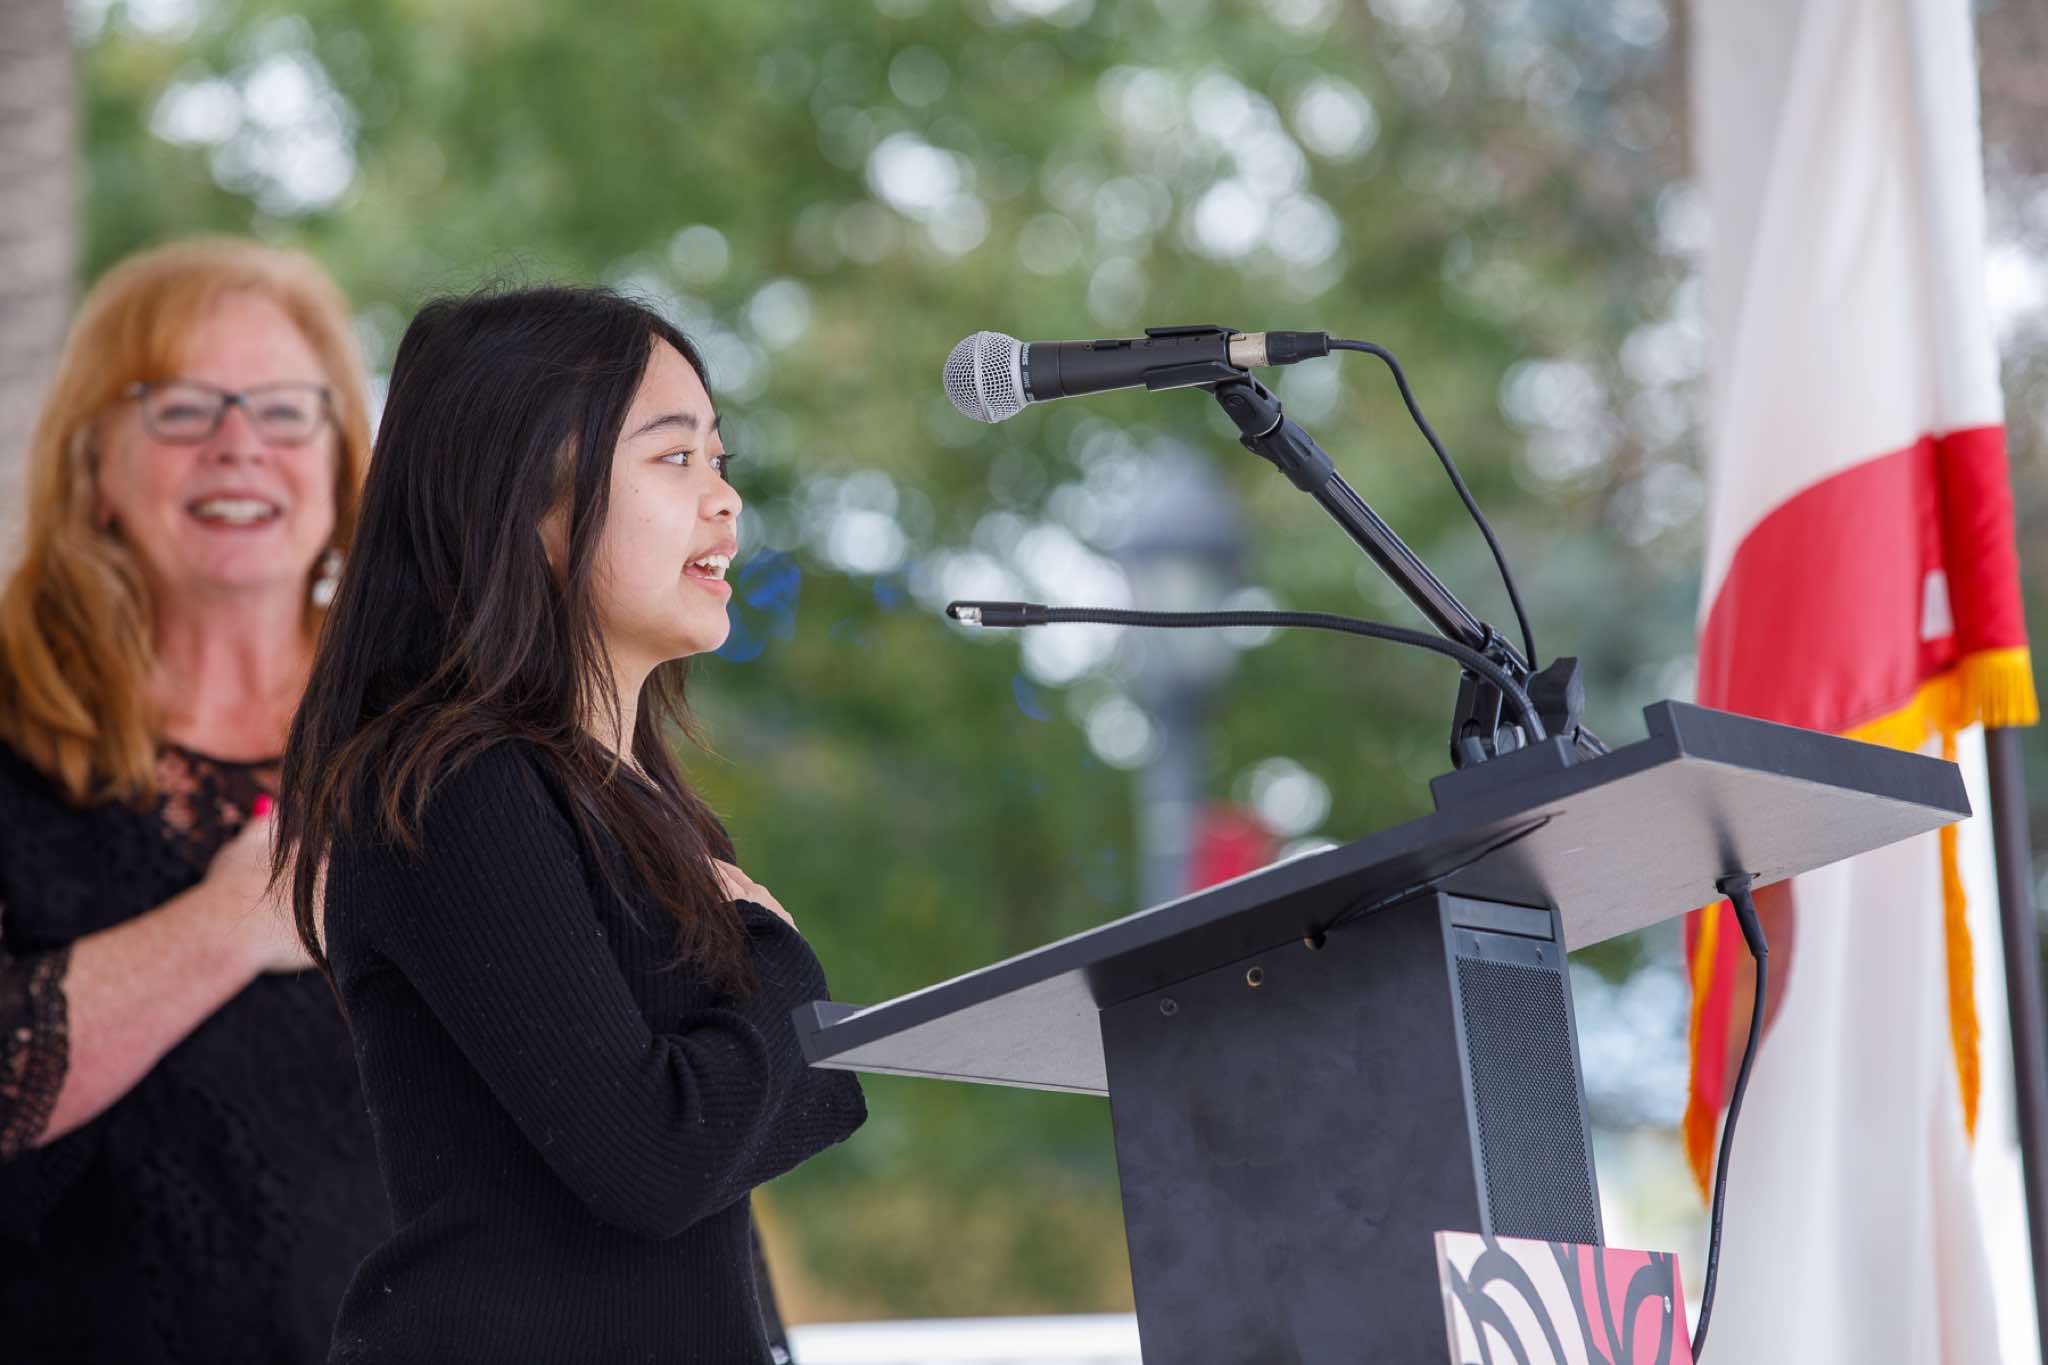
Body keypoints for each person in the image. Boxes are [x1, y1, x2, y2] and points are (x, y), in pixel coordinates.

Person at [274, 285, 867, 1363]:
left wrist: (777, 1059)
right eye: (674, 457)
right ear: (523, 501)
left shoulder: (637, 806)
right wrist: (780, 965)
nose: (725, 499)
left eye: (719, 457)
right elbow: (658, 1160)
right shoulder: (454, 786)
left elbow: (738, 1132)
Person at [0, 237, 386, 1360]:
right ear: (93, 467)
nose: (239, 445)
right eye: (180, 409)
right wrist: (230, 925)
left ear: (342, 464)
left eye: (284, 411)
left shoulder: (446, 726)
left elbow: (629, 1072)